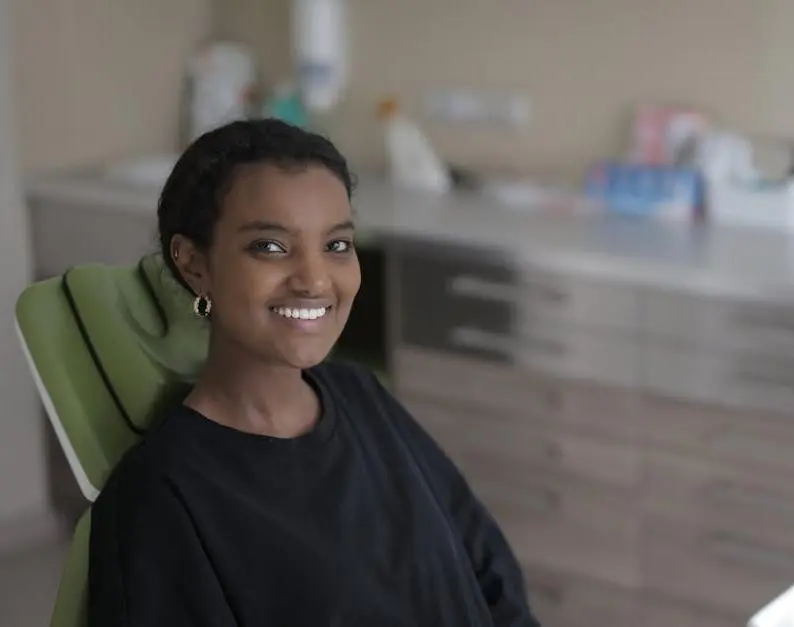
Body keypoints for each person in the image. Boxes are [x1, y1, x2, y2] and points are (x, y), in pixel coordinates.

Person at [87, 119, 539, 627]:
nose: (316, 280)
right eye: (271, 247)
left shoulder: (360, 395)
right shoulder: (161, 498)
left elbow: (486, 564)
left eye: (337, 245)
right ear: (194, 264)